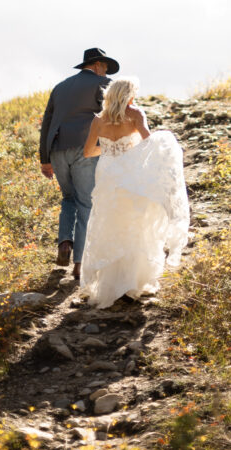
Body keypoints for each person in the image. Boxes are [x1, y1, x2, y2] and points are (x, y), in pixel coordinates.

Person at [80, 76, 189, 308]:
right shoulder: (136, 114)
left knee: (109, 224)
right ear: (128, 96)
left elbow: (88, 152)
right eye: (134, 94)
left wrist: (110, 149)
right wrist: (129, 150)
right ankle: (132, 284)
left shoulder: (98, 120)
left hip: (107, 174)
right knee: (136, 224)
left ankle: (109, 284)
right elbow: (150, 145)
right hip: (130, 174)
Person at [39, 47, 120, 279]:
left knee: (68, 198)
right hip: (86, 148)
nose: (105, 73)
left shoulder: (60, 87)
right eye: (104, 68)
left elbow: (46, 123)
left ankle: (65, 242)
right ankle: (79, 263)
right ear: (96, 66)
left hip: (56, 150)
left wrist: (45, 159)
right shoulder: (101, 84)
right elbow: (112, 114)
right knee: (86, 202)